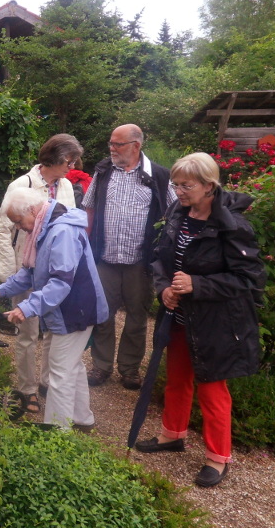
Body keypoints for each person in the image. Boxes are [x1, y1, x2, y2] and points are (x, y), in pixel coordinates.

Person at [135, 152, 265, 488]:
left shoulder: (232, 225)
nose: (178, 190)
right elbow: (161, 258)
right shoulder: (179, 212)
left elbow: (249, 279)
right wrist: (164, 288)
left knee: (212, 388)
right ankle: (171, 435)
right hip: (178, 316)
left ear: (209, 186)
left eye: (186, 185)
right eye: (175, 184)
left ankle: (218, 458)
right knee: (177, 379)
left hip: (216, 322)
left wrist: (198, 284)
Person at [0, 188, 108, 430]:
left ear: (32, 210)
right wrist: (1, 290)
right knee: (71, 365)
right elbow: (31, 272)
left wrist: (27, 307)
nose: (18, 227)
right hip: (70, 308)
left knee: (59, 371)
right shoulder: (44, 227)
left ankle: (56, 433)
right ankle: (82, 419)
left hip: (77, 310)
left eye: (18, 221)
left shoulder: (61, 231)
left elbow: (61, 281)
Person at [0, 134, 82, 414]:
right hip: (26, 268)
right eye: (69, 160)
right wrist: (8, 276)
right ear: (54, 159)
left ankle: (47, 381)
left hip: (56, 271)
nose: (73, 165)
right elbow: (2, 229)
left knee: (53, 327)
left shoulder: (66, 185)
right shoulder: (22, 185)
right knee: (27, 331)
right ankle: (27, 387)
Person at [83, 124, 175, 390]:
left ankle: (129, 369)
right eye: (110, 143)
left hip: (140, 261)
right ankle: (101, 366)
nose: (112, 149)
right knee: (103, 314)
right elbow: (88, 210)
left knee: (137, 316)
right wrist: (86, 248)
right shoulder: (102, 172)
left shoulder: (158, 176)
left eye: (117, 144)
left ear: (136, 145)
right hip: (105, 257)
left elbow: (172, 214)